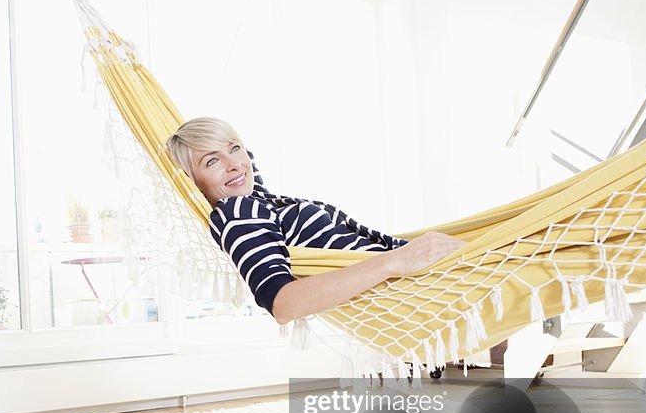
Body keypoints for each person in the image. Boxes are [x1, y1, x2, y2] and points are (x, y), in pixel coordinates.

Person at [165, 117, 465, 324]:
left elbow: (244, 165)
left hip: (420, 267)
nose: (234, 165)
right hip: (409, 282)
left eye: (235, 147)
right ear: (192, 182)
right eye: (212, 160)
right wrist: (393, 262)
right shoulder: (237, 214)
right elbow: (283, 304)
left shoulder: (259, 199)